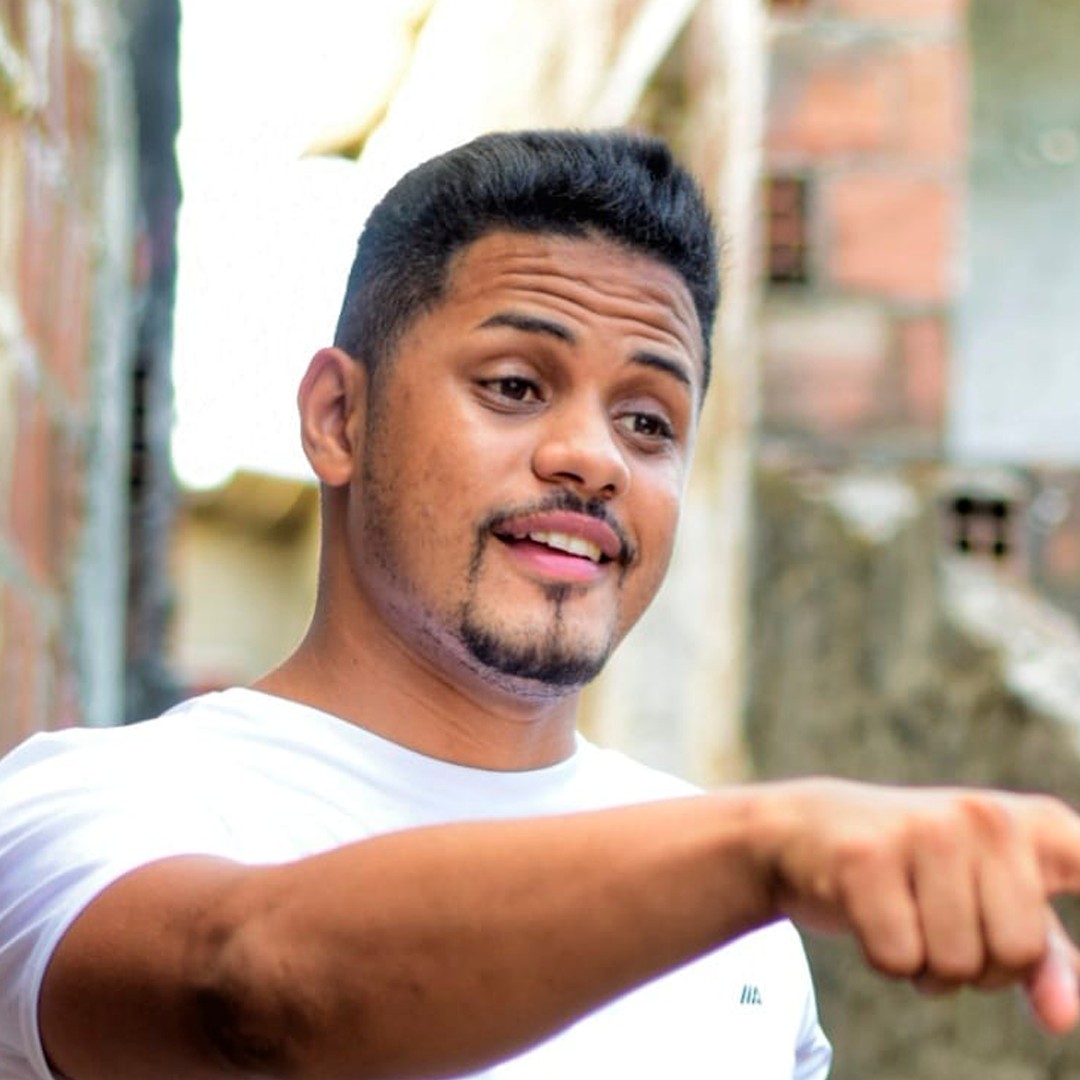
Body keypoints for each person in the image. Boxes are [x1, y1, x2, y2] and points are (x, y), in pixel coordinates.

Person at [1, 129, 1080, 1080]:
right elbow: (254, 994)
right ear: (337, 418)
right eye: (515, 386)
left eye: (649, 422)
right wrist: (759, 850)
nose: (593, 459)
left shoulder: (749, 949)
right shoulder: (96, 809)